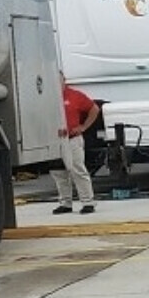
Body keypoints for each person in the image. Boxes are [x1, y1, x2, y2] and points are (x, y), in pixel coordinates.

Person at [52, 72, 99, 215]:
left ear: (64, 80)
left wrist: (83, 127)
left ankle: (88, 202)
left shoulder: (75, 95)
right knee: (58, 173)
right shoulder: (46, 98)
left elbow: (94, 109)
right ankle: (65, 203)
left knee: (77, 170)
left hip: (72, 139)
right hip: (54, 140)